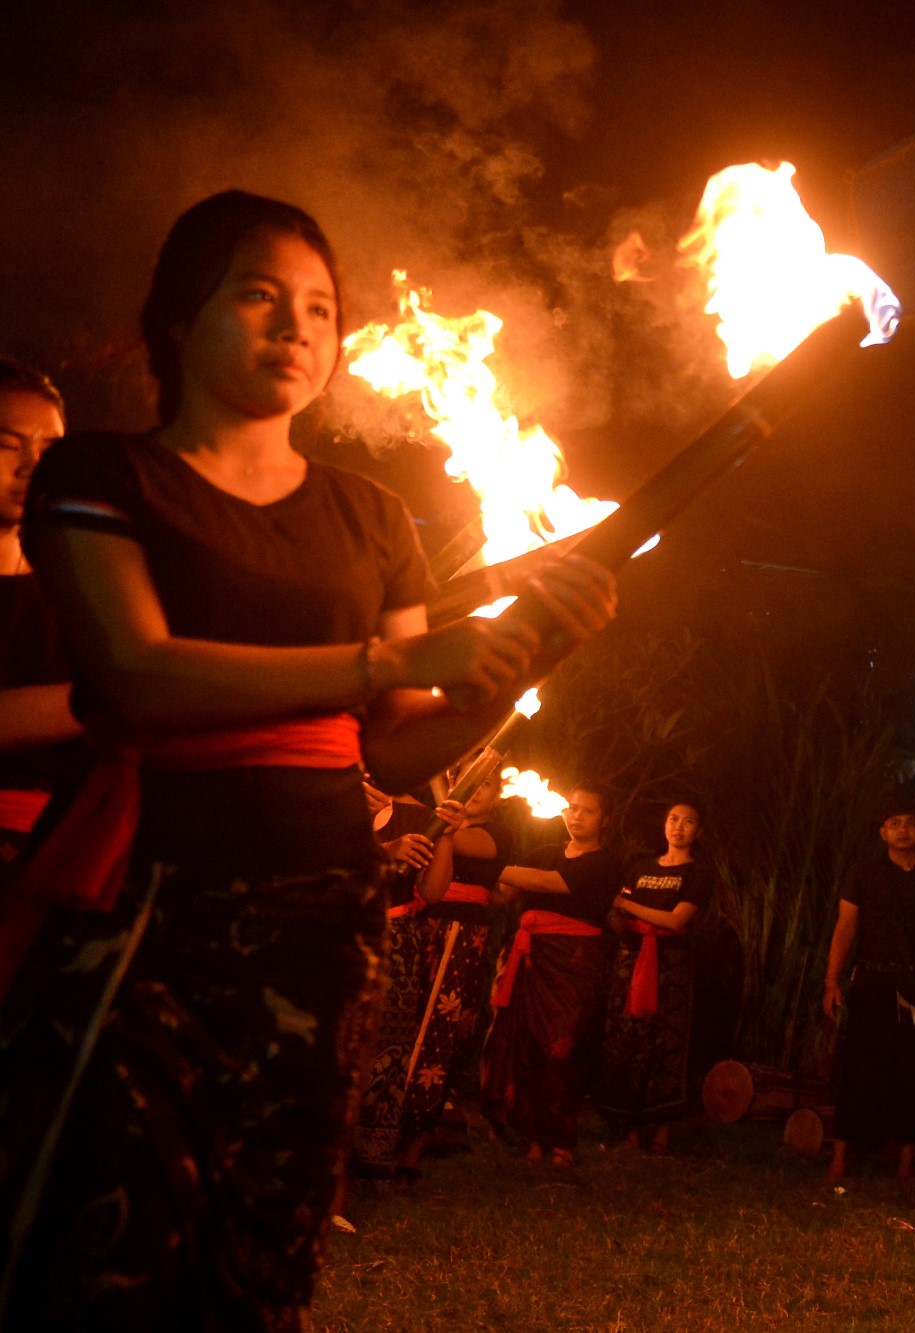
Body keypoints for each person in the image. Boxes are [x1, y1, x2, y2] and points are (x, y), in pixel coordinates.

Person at [0, 190, 615, 1330]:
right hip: (153, 894)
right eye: (260, 295)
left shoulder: (372, 516)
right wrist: (384, 660)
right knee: (115, 1216)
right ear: (180, 318)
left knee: (268, 1225)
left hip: (319, 909)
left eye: (322, 310)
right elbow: (138, 674)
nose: (298, 328)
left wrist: (525, 663)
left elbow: (397, 742)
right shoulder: (97, 477)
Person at [822, 799, 915, 1183]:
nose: (903, 830)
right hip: (872, 982)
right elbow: (846, 927)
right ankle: (839, 1159)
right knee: (857, 1068)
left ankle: (905, 1163)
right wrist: (831, 981)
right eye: (894, 823)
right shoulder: (864, 872)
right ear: (883, 832)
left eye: (910, 823)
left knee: (911, 1072)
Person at [484, 782, 625, 1170]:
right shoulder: (546, 853)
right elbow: (501, 893)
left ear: (605, 819)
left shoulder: (606, 863)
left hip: (575, 963)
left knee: (562, 1047)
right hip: (533, 960)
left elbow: (554, 884)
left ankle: (562, 1138)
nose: (576, 816)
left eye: (587, 810)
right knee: (528, 1045)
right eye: (572, 808)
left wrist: (495, 864)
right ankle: (533, 1137)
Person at [400, 766, 513, 1165]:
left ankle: (416, 1139)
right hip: (420, 929)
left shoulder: (496, 835)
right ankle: (381, 1126)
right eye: (470, 782)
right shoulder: (434, 824)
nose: (477, 791)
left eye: (486, 784)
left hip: (462, 940)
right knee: (403, 1022)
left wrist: (428, 809)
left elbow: (460, 840)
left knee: (438, 1034)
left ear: (498, 795)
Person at [0, 358, 80, 877]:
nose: (30, 465)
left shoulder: (75, 582)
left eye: (48, 450)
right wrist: (112, 699)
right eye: (7, 445)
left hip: (67, 848)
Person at [350, 782, 453, 1179]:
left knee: (386, 1046)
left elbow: (433, 890)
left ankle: (368, 1157)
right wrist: (386, 851)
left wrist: (446, 834)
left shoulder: (421, 815)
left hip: (396, 939)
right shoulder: (341, 796)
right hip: (342, 932)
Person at [601, 800, 714, 1154]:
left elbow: (675, 920)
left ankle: (662, 1129)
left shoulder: (698, 873)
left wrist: (626, 906)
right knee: (627, 1040)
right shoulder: (640, 866)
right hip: (631, 960)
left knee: (667, 1044)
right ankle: (629, 1129)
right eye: (673, 819)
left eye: (689, 821)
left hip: (672, 965)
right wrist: (612, 910)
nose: (679, 826)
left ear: (699, 831)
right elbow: (617, 915)